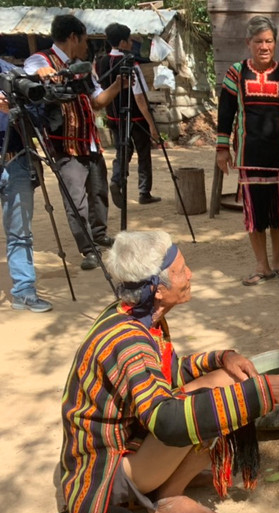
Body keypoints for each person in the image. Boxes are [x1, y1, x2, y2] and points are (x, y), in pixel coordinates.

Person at [46, 230, 279, 513]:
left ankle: (168, 481)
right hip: (108, 468)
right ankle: (167, 497)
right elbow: (168, 421)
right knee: (220, 400)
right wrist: (257, 396)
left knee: (228, 377)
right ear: (158, 289)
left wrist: (220, 358)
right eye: (181, 270)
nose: (190, 275)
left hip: (131, 441)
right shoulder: (130, 342)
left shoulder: (138, 317)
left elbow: (167, 374)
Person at [217, 15, 279, 286]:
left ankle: (278, 262)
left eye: (269, 41)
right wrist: (222, 149)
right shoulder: (235, 74)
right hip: (249, 155)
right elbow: (225, 112)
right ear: (248, 42)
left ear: (275, 43)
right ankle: (261, 266)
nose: (264, 46)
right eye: (259, 41)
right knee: (254, 212)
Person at [24, 15, 122, 271]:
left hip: (89, 142)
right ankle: (88, 249)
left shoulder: (82, 66)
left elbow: (97, 101)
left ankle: (99, 236)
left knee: (98, 194)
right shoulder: (41, 59)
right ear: (72, 38)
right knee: (75, 200)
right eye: (85, 40)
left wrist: (120, 84)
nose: (86, 45)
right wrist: (42, 74)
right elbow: (31, 71)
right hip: (64, 144)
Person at [0, 59, 52, 312]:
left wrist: (12, 110)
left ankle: (24, 291)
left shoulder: (14, 73)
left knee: (20, 232)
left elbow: (40, 116)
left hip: (16, 163)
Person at [97, 22, 162, 208]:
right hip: (135, 117)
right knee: (143, 153)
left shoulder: (102, 62)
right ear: (124, 42)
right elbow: (140, 98)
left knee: (122, 151)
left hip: (114, 117)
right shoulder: (131, 65)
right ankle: (144, 192)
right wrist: (151, 124)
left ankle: (117, 179)